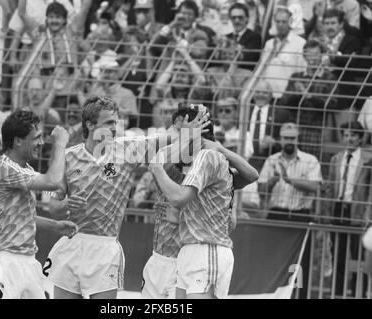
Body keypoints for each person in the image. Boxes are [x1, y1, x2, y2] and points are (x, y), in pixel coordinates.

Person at [43, 97, 209, 299]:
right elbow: (53, 208)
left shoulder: (128, 150)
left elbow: (166, 140)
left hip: (105, 247)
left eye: (116, 122)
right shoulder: (68, 157)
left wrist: (188, 129)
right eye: (109, 122)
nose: (114, 128)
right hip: (72, 243)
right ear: (90, 124)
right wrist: (66, 204)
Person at [142, 106, 258, 299]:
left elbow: (250, 177)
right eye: (177, 130)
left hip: (202, 250)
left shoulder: (210, 159)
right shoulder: (173, 162)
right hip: (169, 257)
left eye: (182, 132)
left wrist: (220, 149)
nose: (174, 137)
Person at [0, 109, 78, 299]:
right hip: (2, 262)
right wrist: (61, 143)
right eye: (36, 137)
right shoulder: (4, 168)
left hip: (28, 262)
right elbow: (52, 181)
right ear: (17, 141)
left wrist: (54, 225)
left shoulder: (24, 169)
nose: (41, 142)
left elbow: (22, 216)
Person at [257, 122, 323, 298]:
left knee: (301, 263)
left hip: (299, 216)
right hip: (276, 214)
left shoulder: (310, 160)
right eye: (286, 138)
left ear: (298, 138)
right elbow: (261, 191)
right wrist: (269, 183)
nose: (289, 141)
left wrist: (289, 179)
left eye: (292, 138)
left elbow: (315, 186)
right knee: (273, 260)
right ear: (280, 139)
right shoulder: (271, 160)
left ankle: (299, 296)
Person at [326, 121, 372, 297]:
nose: (349, 139)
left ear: (360, 138)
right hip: (338, 209)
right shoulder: (336, 159)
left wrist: (368, 213)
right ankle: (336, 293)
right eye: (346, 135)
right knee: (337, 254)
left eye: (353, 135)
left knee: (358, 257)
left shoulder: (367, 160)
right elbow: (330, 187)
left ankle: (357, 294)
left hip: (358, 211)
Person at [226, 2, 262, 71]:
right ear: (230, 19)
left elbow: (251, 58)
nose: (237, 20)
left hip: (244, 76)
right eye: (234, 18)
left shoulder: (255, 37)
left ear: (247, 18)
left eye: (240, 17)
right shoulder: (226, 37)